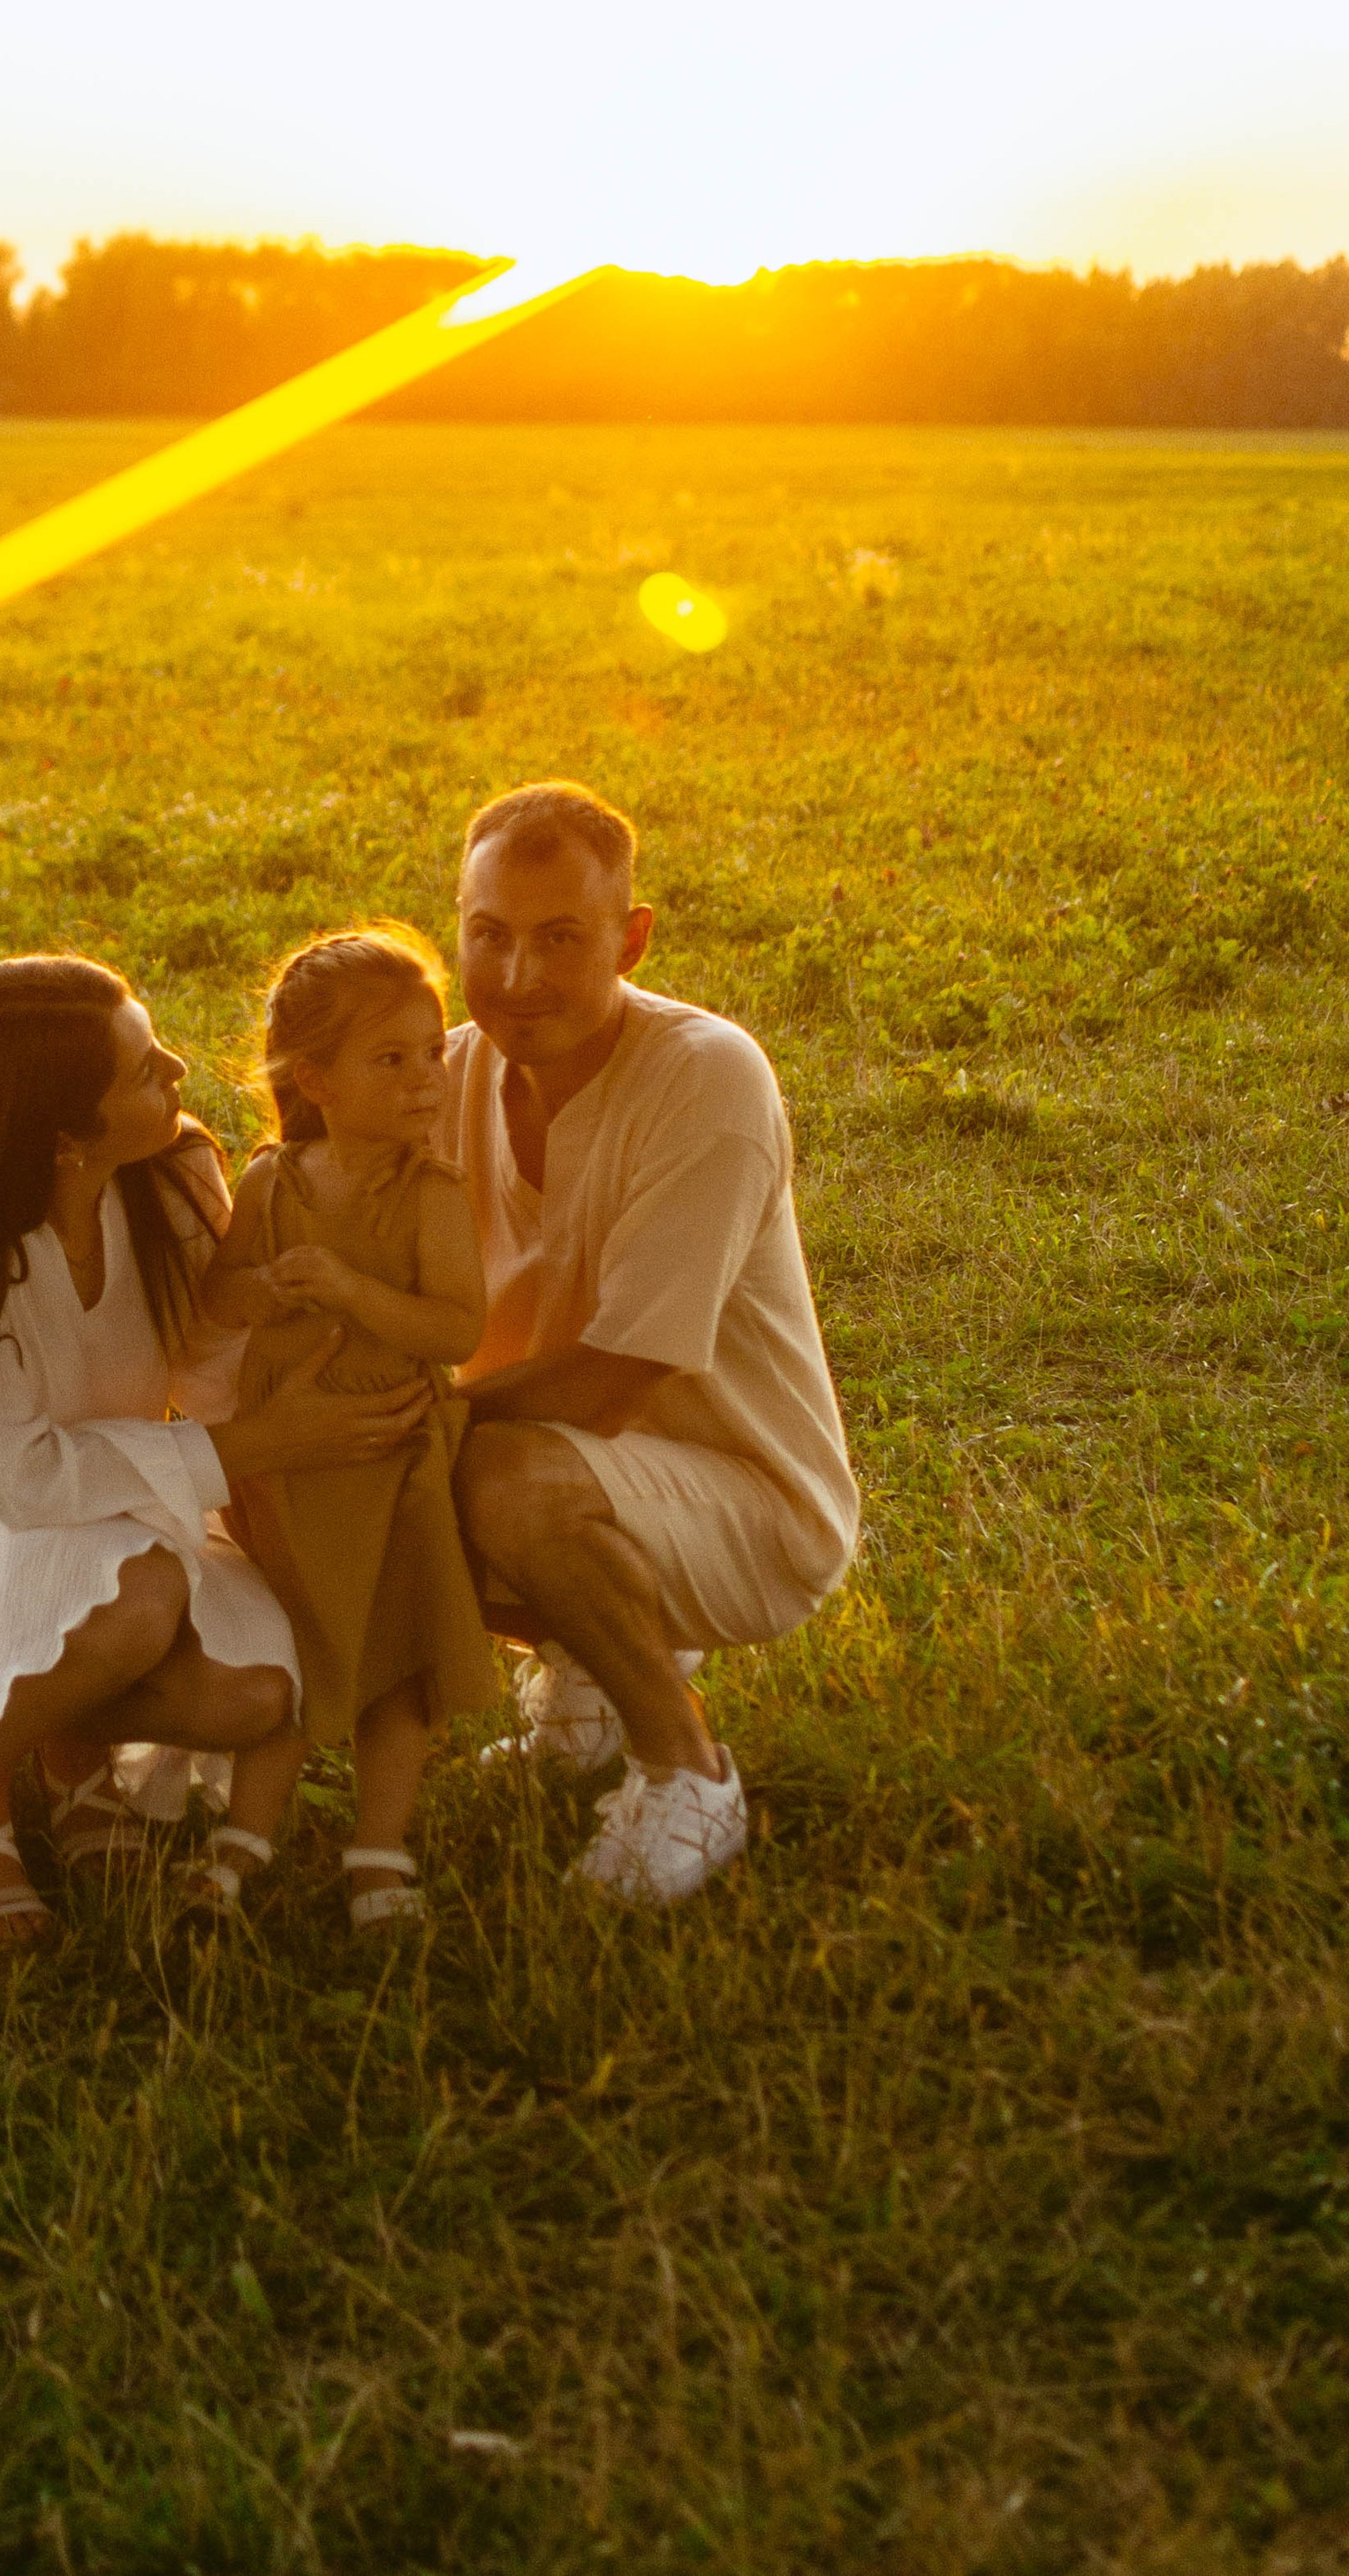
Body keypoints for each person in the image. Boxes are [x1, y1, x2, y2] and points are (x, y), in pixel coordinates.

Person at [0, 954, 429, 1944]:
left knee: (257, 1695)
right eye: (146, 1069)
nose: (180, 1069)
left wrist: (264, 1327)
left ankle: (64, 1740)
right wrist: (244, 1446)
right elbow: (19, 1479)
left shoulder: (170, 1177)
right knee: (139, 1590)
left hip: (125, 1502)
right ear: (64, 1137)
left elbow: (198, 1366)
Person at [440, 783, 860, 1905]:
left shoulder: (705, 1076)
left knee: (491, 1472)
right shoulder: (443, 1072)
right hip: (567, 1465)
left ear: (630, 938)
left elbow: (620, 1378)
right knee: (361, 1466)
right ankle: (586, 1676)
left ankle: (688, 1773)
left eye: (560, 939)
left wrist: (408, 1431)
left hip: (747, 1497)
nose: (518, 977)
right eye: (490, 935)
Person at [195, 929, 495, 1931]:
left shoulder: (427, 1191)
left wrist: (354, 1291)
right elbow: (218, 1292)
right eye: (391, 1058)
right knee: (295, 1640)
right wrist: (266, 1285)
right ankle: (240, 1842)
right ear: (314, 1078)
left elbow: (456, 1326)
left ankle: (378, 1851)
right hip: (287, 1455)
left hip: (390, 1452)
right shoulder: (275, 1180)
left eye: (433, 1050)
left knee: (394, 1655)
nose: (423, 1079)